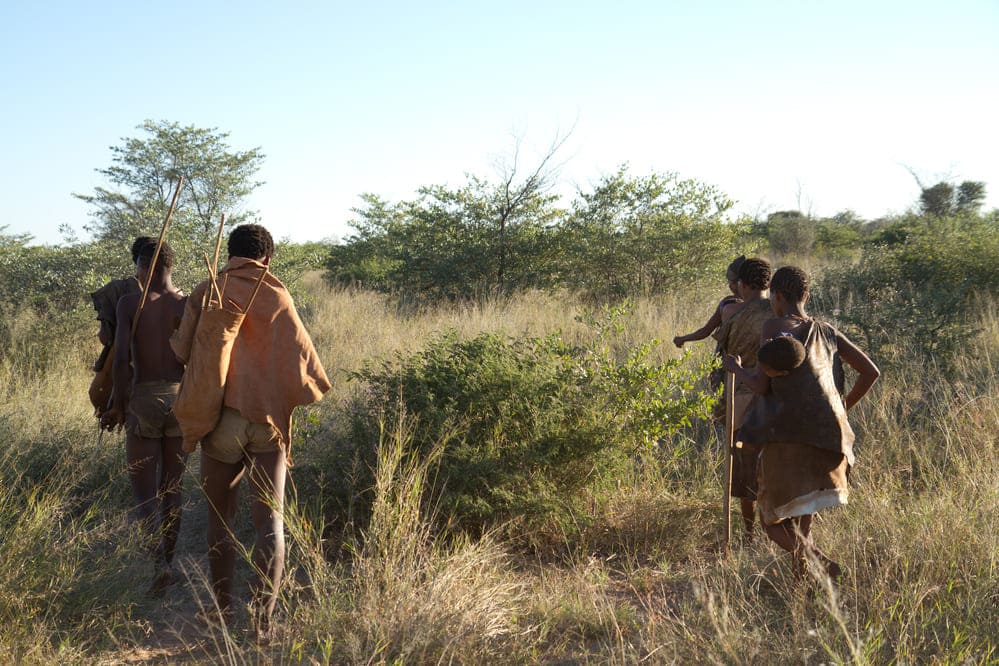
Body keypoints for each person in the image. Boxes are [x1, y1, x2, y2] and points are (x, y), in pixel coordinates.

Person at [173, 224, 330, 643]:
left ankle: (222, 610)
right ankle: (262, 624)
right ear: (268, 257)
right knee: (270, 524)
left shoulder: (210, 288)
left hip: (219, 419)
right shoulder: (276, 294)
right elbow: (302, 359)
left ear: (230, 253)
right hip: (266, 421)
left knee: (219, 521)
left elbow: (181, 351)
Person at [724, 266, 880, 579]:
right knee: (803, 517)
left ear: (777, 297)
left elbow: (762, 385)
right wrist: (841, 407)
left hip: (787, 437)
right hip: (831, 438)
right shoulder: (828, 331)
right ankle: (800, 586)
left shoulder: (773, 326)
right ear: (806, 296)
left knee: (771, 521)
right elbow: (870, 372)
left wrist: (736, 368)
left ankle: (819, 560)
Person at [100, 240, 188, 595]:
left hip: (145, 397)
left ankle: (158, 567)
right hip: (181, 399)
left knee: (145, 494)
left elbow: (121, 360)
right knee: (172, 489)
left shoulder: (130, 303)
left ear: (143, 266)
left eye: (137, 266)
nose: (135, 274)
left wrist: (119, 405)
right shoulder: (186, 303)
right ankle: (168, 560)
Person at [713, 257, 773, 540]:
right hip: (773, 401)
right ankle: (772, 531)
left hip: (739, 398)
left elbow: (720, 350)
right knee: (770, 469)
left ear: (741, 284)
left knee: (744, 472)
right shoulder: (779, 312)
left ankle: (750, 535)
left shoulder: (731, 312)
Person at [89, 236, 156, 417]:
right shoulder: (172, 294)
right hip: (154, 376)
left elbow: (105, 337)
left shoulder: (117, 289)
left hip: (119, 371)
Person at [672, 255, 746, 350]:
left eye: (730, 281)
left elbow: (705, 331)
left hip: (729, 359)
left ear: (738, 283)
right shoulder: (764, 305)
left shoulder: (727, 304)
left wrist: (683, 338)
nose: (729, 285)